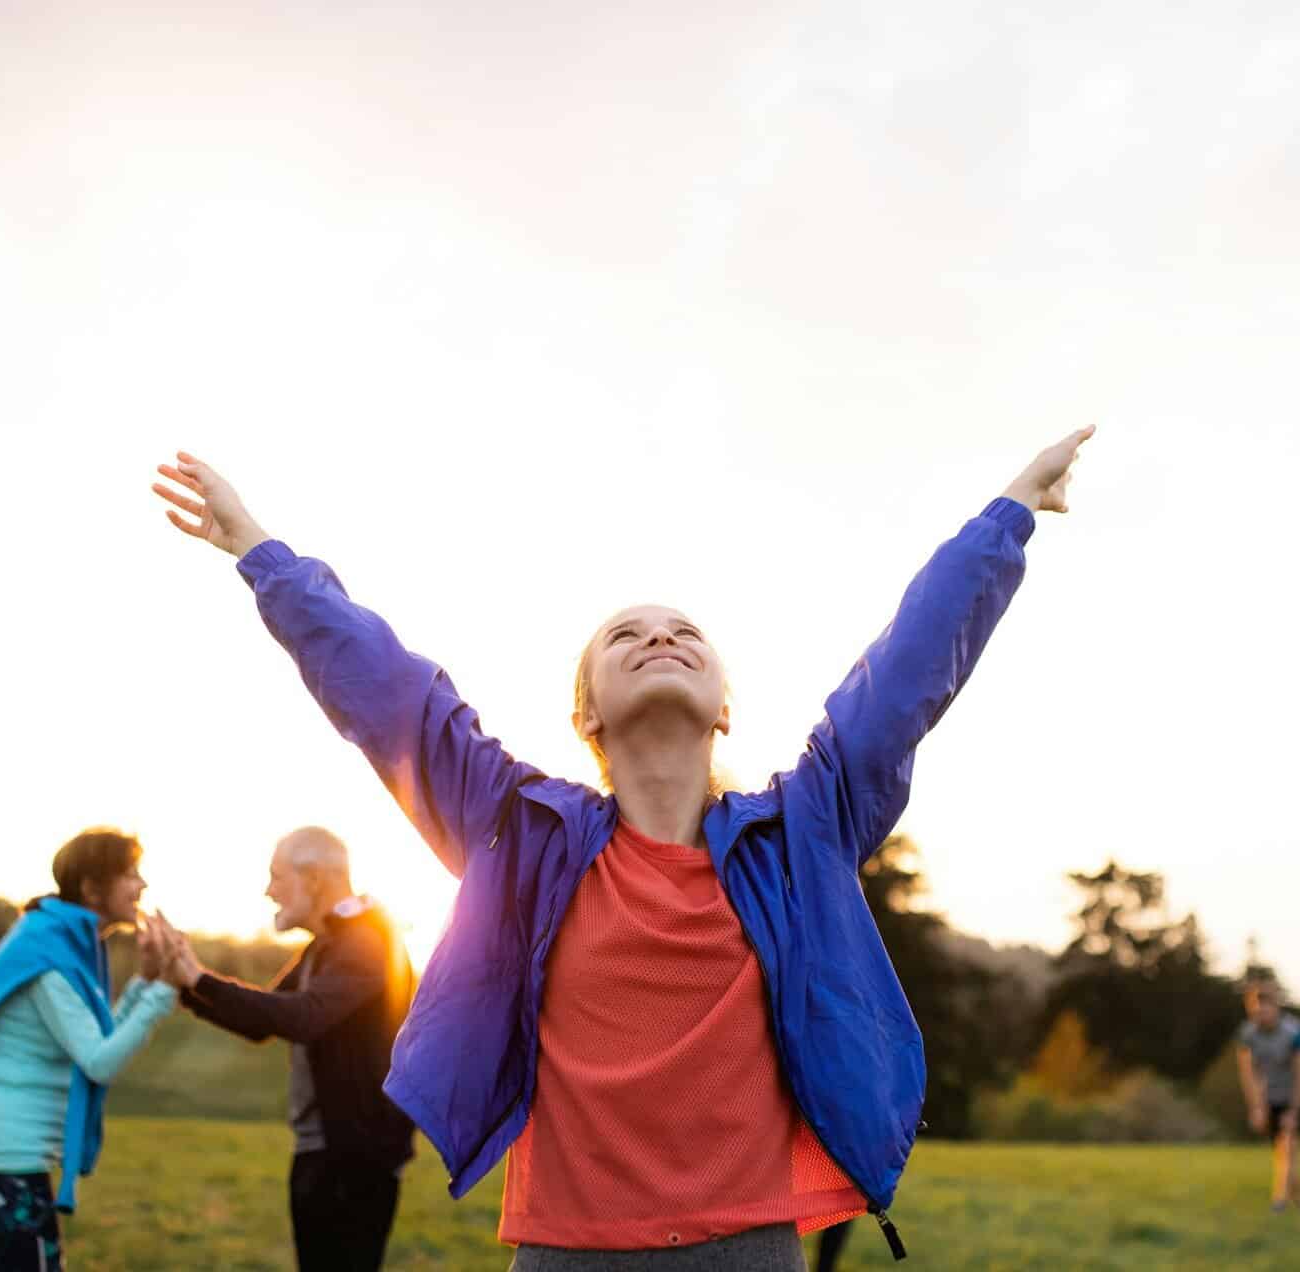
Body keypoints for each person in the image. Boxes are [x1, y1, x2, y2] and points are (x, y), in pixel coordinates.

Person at [152, 425, 1091, 1268]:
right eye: (626, 636)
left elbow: (905, 673)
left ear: (724, 707)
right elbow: (389, 690)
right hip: (567, 1252)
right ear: (587, 713)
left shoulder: (802, 833)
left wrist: (1006, 517)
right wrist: (259, 551)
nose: (661, 638)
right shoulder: (517, 833)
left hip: (747, 1253)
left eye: (686, 633)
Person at [153, 827, 416, 1271]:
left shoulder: (368, 940)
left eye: (277, 877)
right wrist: (185, 983)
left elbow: (301, 1017)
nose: (268, 891)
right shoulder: (329, 945)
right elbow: (266, 1018)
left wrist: (198, 978)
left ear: (313, 878)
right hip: (322, 1155)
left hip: (354, 1163)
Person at [0, 828, 179, 1271]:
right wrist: (166, 991)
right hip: (5, 1159)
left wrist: (147, 979)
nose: (142, 885)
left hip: (6, 1160)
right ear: (92, 888)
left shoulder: (61, 944)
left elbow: (95, 1041)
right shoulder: (46, 954)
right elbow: (99, 1062)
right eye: (130, 873)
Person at [1234, 981, 1300, 1211]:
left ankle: (1279, 1200)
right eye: (1254, 1010)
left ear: (1276, 1007)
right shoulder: (1247, 1034)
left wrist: (1295, 1111)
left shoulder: (1296, 1032)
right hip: (1268, 1098)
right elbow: (1249, 1074)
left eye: (1264, 1009)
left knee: (1288, 1145)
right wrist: (1256, 1107)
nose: (1260, 1014)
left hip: (1294, 1095)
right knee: (1282, 1151)